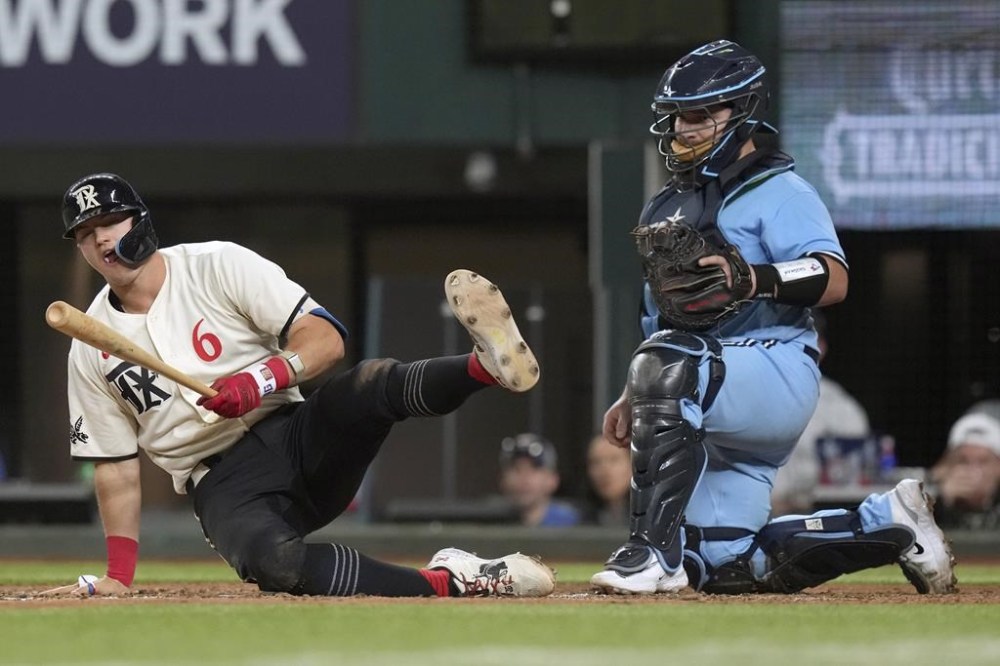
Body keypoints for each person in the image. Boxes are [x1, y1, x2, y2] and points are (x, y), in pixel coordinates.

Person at [48, 172, 555, 598]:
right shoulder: (90, 346)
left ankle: (484, 367)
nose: (101, 240)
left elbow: (326, 338)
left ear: (140, 219)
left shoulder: (217, 264)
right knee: (275, 566)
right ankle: (453, 581)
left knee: (368, 383)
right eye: (86, 232)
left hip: (296, 430)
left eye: (110, 221)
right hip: (223, 484)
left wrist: (261, 376)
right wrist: (118, 575)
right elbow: (114, 467)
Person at [589, 40, 955, 596]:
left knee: (670, 364)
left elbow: (834, 278)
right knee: (724, 564)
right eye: (677, 116)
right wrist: (634, 389)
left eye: (698, 115)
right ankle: (891, 521)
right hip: (706, 389)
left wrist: (753, 277)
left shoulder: (780, 189)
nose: (684, 128)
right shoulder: (665, 205)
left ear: (741, 112)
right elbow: (659, 316)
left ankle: (649, 553)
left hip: (775, 365)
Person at [771, 310, 870, 515]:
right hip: (750, 521)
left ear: (821, 348)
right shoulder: (745, 393)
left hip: (815, 521)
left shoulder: (840, 407)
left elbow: (855, 482)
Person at [928, 400, 1000, 530]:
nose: (972, 470)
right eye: (963, 461)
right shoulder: (934, 502)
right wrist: (942, 503)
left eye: (983, 461)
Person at [498, 433, 581, 527]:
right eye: (516, 468)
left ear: (553, 480)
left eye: (534, 468)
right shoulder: (493, 524)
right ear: (503, 479)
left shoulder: (573, 524)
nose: (524, 477)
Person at [584, 434, 631, 527]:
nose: (604, 471)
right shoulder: (580, 521)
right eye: (596, 462)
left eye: (614, 460)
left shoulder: (654, 518)